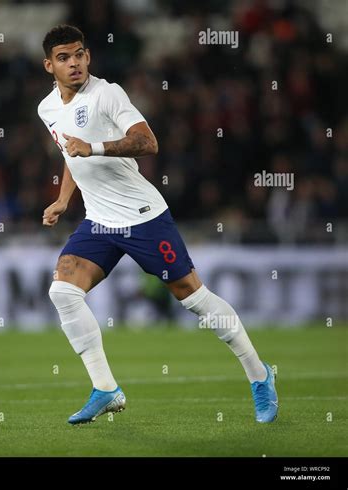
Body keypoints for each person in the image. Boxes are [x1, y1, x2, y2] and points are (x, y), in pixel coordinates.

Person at [38, 25, 278, 425]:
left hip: (142, 216)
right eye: (64, 58)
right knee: (63, 290)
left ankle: (259, 374)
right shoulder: (47, 108)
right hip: (99, 220)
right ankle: (106, 389)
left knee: (194, 298)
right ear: (50, 65)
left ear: (89, 56)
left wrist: (94, 147)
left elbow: (148, 142)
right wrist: (64, 199)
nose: (74, 63)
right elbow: (71, 150)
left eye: (79, 54)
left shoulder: (108, 94)